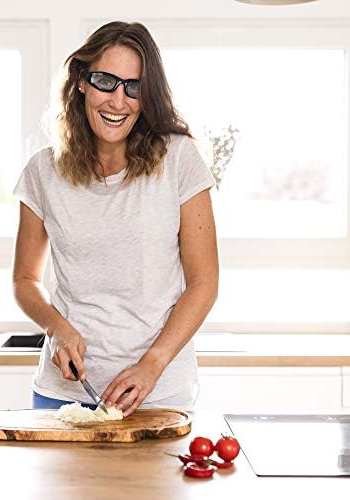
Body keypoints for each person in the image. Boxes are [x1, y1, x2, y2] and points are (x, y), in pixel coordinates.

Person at [12, 21, 218, 417]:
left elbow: (204, 283)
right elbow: (24, 279)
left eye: (134, 87)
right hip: (62, 392)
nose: (118, 101)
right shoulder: (42, 171)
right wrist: (56, 327)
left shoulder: (179, 160)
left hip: (157, 393)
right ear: (81, 81)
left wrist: (152, 365)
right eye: (106, 82)